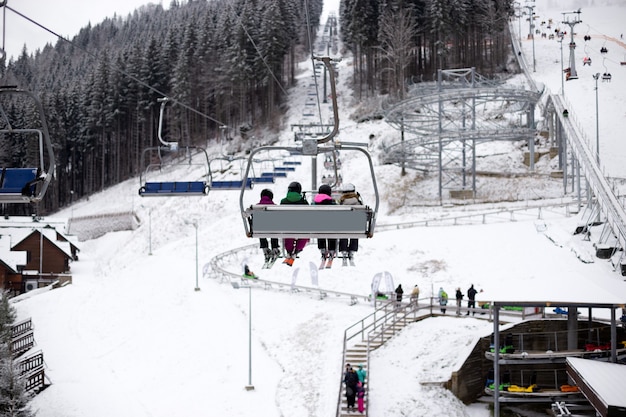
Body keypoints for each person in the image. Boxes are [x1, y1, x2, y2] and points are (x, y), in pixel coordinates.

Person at [280, 182, 309, 266]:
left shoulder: (283, 201)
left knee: (288, 232)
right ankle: (296, 250)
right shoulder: (303, 201)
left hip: (287, 227)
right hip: (301, 227)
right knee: (304, 233)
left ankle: (289, 251)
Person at [338, 183, 363, 263]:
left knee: (344, 229)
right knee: (354, 228)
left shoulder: (341, 202)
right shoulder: (358, 202)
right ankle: (352, 250)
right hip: (356, 227)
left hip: (343, 226)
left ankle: (344, 250)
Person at [313, 184, 337, 262]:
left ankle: (322, 249)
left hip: (318, 226)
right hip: (331, 226)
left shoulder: (314, 203)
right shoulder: (332, 203)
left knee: (319, 227)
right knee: (331, 228)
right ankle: (332, 249)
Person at [257, 189, 280, 263]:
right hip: (273, 229)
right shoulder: (275, 207)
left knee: (260, 228)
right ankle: (274, 248)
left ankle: (265, 248)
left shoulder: (256, 207)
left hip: (260, 229)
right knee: (274, 228)